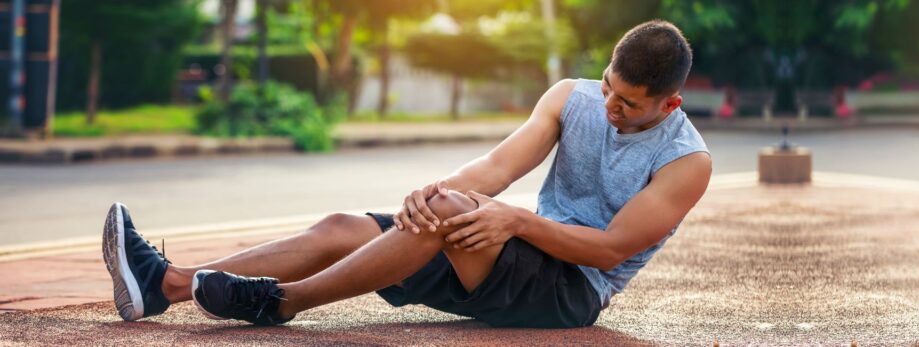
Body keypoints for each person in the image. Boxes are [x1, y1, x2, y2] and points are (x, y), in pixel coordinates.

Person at [102, 19, 712, 328]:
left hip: (568, 292)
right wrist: (435, 193)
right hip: (504, 255)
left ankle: (282, 303)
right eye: (608, 87)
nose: (609, 107)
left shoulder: (687, 162)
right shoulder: (570, 97)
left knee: (453, 213)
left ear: (669, 104)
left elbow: (608, 252)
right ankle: (165, 286)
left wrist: (516, 222)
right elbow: (498, 166)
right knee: (348, 225)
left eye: (627, 104)